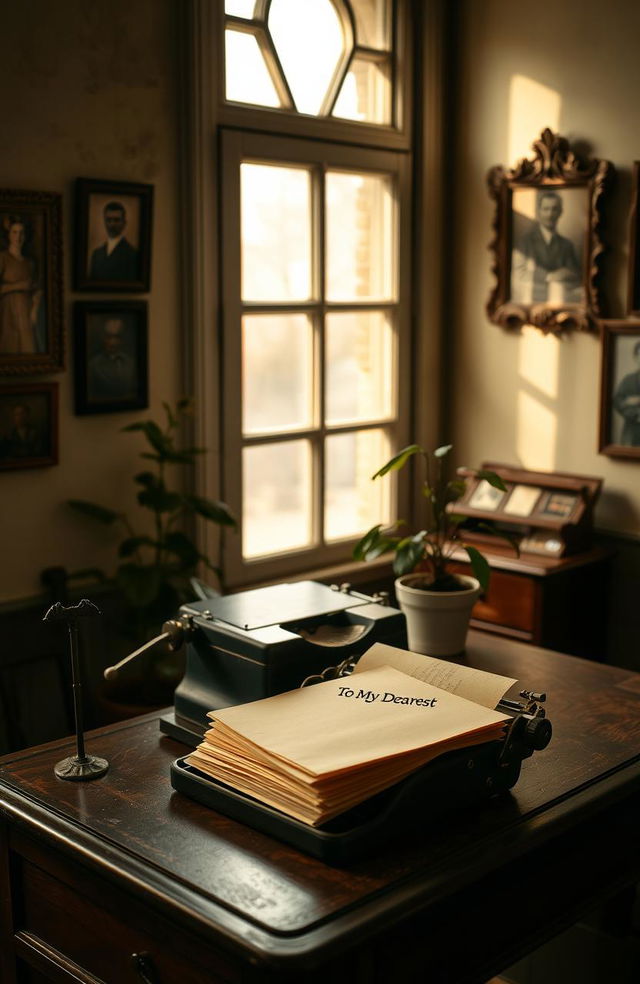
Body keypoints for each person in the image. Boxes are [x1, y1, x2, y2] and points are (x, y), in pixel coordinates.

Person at [511, 190, 583, 305]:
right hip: (531, 302)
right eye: (546, 209)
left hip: (559, 302)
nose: (550, 214)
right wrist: (549, 276)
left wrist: (568, 274)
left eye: (554, 209)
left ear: (560, 212)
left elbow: (575, 274)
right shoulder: (525, 241)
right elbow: (519, 272)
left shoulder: (566, 245)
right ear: (538, 212)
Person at [0, 216, 42, 354]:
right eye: (14, 232)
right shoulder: (3, 258)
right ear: (9, 235)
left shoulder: (30, 263)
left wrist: (35, 309)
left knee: (28, 348)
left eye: (21, 233)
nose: (18, 237)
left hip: (26, 312)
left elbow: (36, 289)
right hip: (7, 312)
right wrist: (17, 286)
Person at [87, 318, 137, 402]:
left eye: (116, 338)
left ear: (121, 341)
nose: (112, 342)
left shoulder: (130, 362)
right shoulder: (93, 364)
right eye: (108, 338)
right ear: (103, 339)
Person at [88, 201, 139, 281]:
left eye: (116, 220)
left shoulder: (132, 254)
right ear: (104, 222)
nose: (112, 224)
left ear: (124, 223)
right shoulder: (97, 254)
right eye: (108, 220)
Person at [613, 340, 640, 447]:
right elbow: (617, 401)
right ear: (635, 358)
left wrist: (636, 400)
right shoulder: (628, 380)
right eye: (639, 355)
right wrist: (635, 413)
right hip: (632, 431)